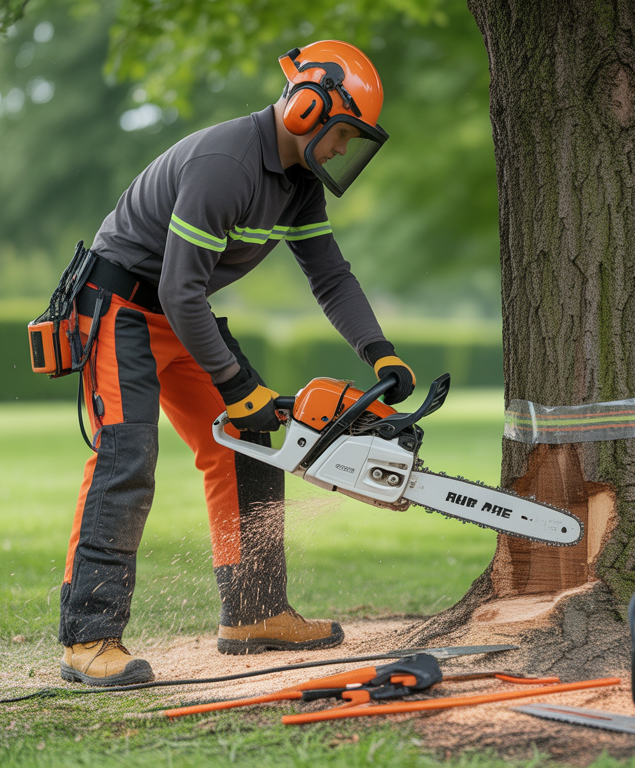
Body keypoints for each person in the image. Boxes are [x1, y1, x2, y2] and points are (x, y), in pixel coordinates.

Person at [56, 40, 417, 686]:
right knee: (127, 456)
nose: (340, 150)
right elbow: (178, 287)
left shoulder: (299, 188)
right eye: (342, 134)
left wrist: (379, 352)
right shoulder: (226, 164)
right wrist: (235, 382)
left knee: (246, 439)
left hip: (174, 310)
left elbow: (330, 276)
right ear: (307, 106)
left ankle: (253, 612)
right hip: (117, 306)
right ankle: (88, 638)